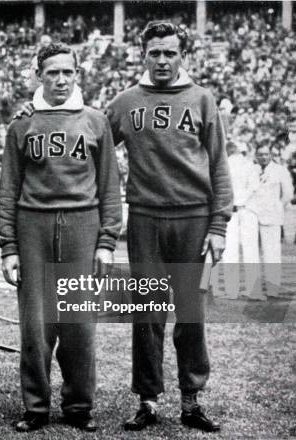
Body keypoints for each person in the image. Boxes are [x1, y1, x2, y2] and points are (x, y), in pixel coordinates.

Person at [105, 22, 232, 432]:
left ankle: (191, 400)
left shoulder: (202, 99)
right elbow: (89, 139)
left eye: (170, 53)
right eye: (155, 52)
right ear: (143, 55)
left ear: (182, 56)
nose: (162, 60)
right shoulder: (126, 102)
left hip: (194, 217)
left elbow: (219, 164)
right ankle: (147, 400)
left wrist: (219, 225)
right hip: (145, 217)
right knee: (147, 313)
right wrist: (34, 112)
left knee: (191, 313)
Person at [0, 43, 121, 432]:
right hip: (32, 224)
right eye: (53, 73)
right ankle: (35, 407)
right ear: (39, 76)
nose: (61, 79)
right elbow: (9, 188)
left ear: (78, 74)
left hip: (82, 225)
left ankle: (79, 406)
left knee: (79, 323)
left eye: (68, 72)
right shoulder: (23, 123)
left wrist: (106, 241)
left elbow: (109, 187)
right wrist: (9, 247)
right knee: (35, 324)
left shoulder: (95, 121)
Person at [211, 141, 258, 299]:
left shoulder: (247, 166)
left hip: (241, 209)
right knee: (241, 250)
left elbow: (252, 188)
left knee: (235, 250)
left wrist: (236, 202)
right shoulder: (247, 165)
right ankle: (242, 290)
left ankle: (236, 290)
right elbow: (252, 188)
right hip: (240, 209)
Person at [245, 144, 293, 297]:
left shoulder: (280, 171)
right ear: (256, 156)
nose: (263, 157)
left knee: (272, 253)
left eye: (266, 154)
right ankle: (254, 289)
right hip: (252, 215)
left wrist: (278, 206)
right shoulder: (252, 170)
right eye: (260, 154)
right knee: (251, 253)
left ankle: (273, 289)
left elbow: (288, 194)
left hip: (272, 216)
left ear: (271, 155)